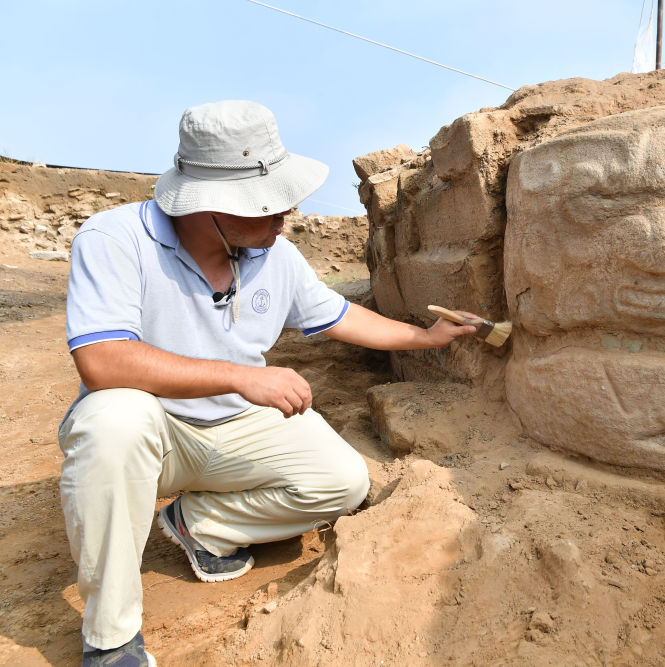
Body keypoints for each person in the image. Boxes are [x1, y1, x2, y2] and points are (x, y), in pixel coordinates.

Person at [59, 100, 476, 666]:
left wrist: (424, 338)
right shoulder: (114, 239)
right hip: (154, 433)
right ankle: (110, 641)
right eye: (270, 204)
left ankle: (198, 523)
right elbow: (103, 360)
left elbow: (340, 316)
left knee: (343, 481)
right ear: (210, 207)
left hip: (235, 429)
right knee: (110, 421)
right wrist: (240, 376)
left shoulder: (274, 253)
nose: (289, 214)